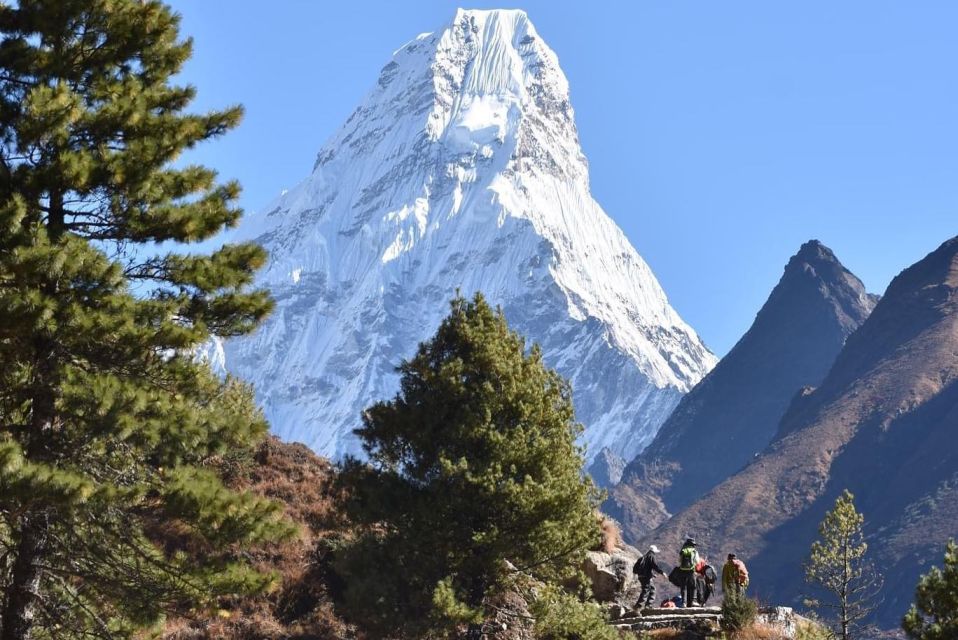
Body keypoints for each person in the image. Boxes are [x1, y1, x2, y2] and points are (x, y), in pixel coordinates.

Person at [632, 544, 666, 609]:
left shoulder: (643, 557)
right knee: (649, 590)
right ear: (654, 551)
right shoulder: (651, 556)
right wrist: (662, 572)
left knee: (648, 589)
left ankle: (644, 605)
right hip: (646, 577)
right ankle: (641, 605)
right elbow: (654, 566)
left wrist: (652, 574)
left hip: (640, 576)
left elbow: (636, 568)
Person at [678, 537, 700, 607]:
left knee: (683, 587)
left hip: (682, 571)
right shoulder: (694, 551)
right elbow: (697, 561)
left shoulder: (682, 550)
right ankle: (693, 601)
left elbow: (679, 561)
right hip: (691, 571)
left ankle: (683, 603)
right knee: (693, 586)